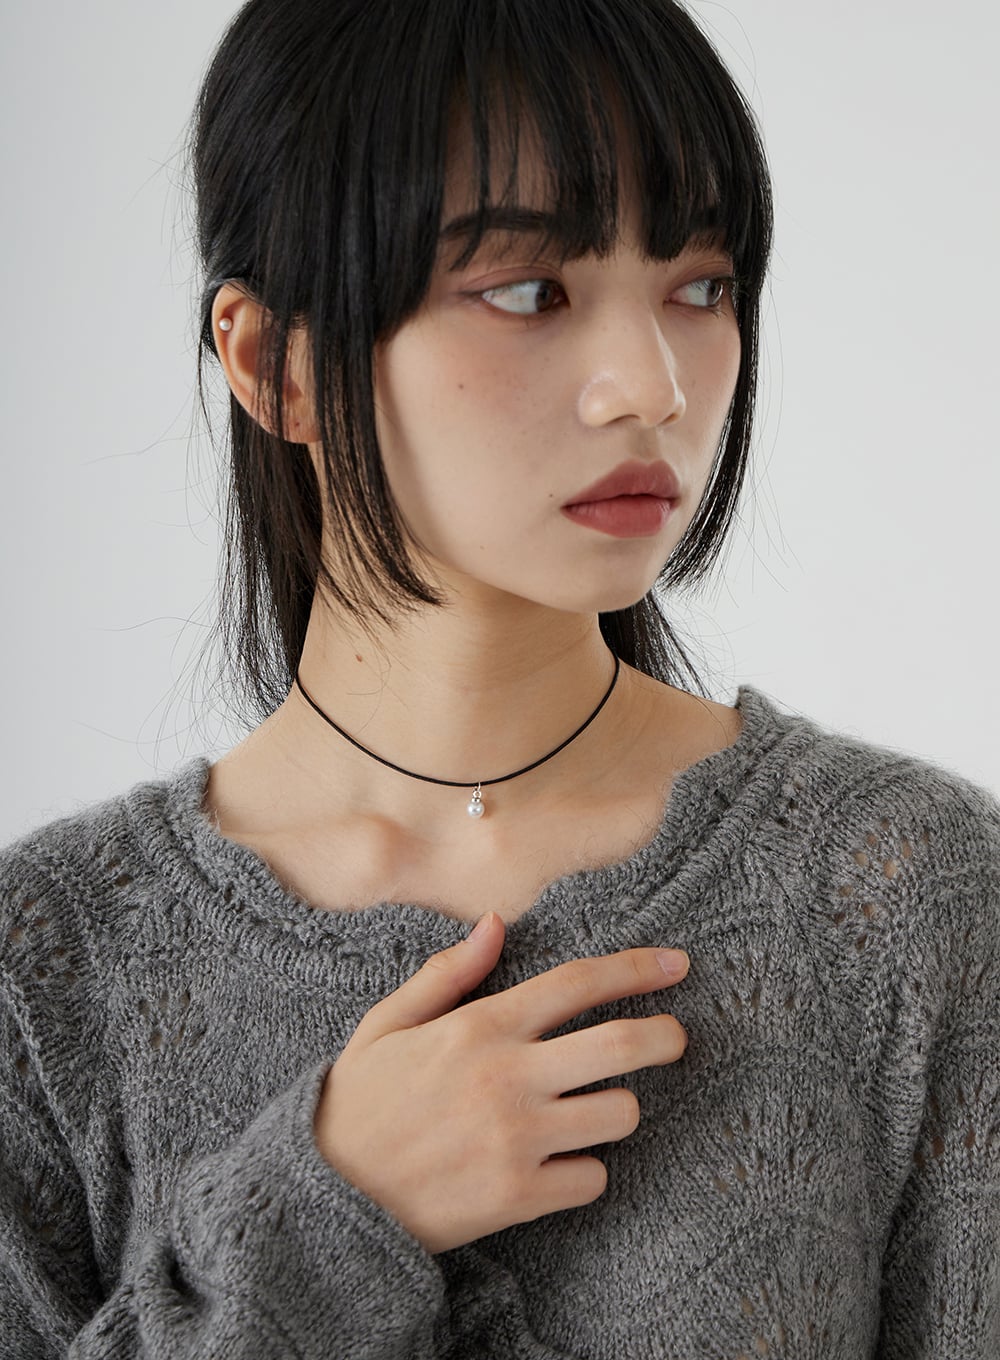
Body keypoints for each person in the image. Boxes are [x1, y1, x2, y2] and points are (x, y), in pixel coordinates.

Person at [2, 0, 997, 1355]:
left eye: (701, 286)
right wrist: (327, 1214)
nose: (650, 387)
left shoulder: (907, 897)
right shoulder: (46, 973)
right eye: (530, 292)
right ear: (274, 361)